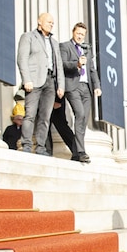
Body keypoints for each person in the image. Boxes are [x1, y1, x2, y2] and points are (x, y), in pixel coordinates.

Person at [16, 12, 64, 156]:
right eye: (48, 21)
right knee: (30, 114)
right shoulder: (28, 37)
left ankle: (41, 147)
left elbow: (59, 65)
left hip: (50, 81)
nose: (51, 24)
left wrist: (60, 85)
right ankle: (26, 145)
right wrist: (26, 79)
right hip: (34, 80)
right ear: (39, 21)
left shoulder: (54, 43)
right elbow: (22, 59)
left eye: (52, 22)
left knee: (45, 117)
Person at [60, 22, 101, 163]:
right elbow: (63, 64)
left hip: (86, 88)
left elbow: (92, 70)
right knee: (80, 114)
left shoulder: (87, 50)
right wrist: (77, 64)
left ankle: (76, 153)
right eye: (78, 33)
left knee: (83, 121)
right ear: (73, 32)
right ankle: (81, 151)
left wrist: (97, 86)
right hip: (73, 86)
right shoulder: (65, 46)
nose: (80, 36)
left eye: (82, 34)